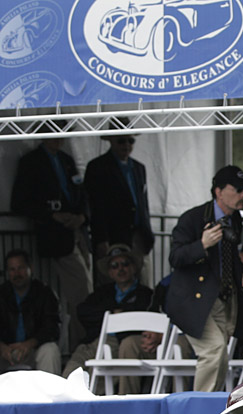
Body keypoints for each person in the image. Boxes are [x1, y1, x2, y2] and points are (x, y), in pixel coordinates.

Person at [165, 165, 243, 392]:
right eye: (237, 190)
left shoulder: (234, 218)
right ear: (219, 192)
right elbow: (175, 258)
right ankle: (199, 408)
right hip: (194, 300)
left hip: (222, 298)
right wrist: (202, 245)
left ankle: (209, 406)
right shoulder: (193, 219)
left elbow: (232, 254)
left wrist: (242, 275)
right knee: (213, 350)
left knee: (221, 356)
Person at [11, 134, 93, 349]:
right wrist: (51, 216)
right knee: (81, 293)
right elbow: (20, 202)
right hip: (56, 237)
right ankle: (82, 347)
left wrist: (82, 217)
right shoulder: (32, 162)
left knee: (86, 289)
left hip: (76, 232)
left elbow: (80, 193)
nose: (58, 139)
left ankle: (84, 344)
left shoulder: (66, 160)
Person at [62, 244, 155, 389]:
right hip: (94, 342)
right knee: (70, 373)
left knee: (96, 377)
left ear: (134, 268)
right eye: (115, 266)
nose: (120, 269)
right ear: (110, 272)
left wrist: (122, 316)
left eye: (125, 264)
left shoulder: (146, 294)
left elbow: (146, 319)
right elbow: (83, 311)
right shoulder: (102, 293)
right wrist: (111, 315)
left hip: (121, 344)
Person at [84, 129, 154, 284]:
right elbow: (95, 206)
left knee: (144, 282)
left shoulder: (138, 167)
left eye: (131, 141)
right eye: (121, 141)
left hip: (138, 236)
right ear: (111, 141)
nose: (127, 145)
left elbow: (143, 203)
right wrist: (102, 238)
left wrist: (147, 233)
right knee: (112, 283)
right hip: (113, 236)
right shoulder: (98, 167)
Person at [0, 249, 61, 375]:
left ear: (31, 268)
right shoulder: (1, 294)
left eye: (21, 268)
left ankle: (50, 394)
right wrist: (2, 347)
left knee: (50, 350)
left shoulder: (44, 293)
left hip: (33, 349)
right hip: (5, 352)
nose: (17, 273)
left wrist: (29, 344)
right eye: (12, 269)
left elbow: (52, 328)